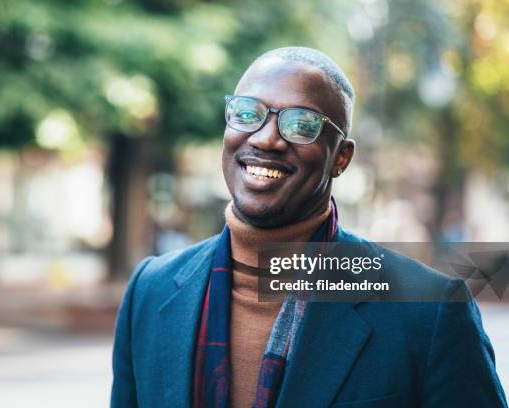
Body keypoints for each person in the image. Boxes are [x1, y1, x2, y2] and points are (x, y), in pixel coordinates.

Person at [111, 47, 508, 408]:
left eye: (302, 125)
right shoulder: (151, 290)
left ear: (341, 158)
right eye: (248, 113)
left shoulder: (428, 310)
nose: (266, 139)